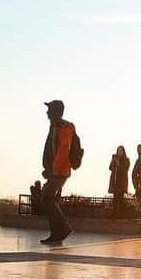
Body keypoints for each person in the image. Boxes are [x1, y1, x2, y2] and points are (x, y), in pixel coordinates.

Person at [39, 99, 82, 247]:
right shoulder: (56, 126)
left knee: (47, 198)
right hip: (58, 170)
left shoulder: (61, 127)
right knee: (48, 197)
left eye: (49, 109)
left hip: (59, 171)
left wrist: (53, 171)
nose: (46, 112)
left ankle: (62, 229)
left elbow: (63, 151)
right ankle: (57, 232)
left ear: (54, 111)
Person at [108, 145, 130, 217]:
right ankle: (114, 214)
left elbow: (126, 170)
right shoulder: (115, 159)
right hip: (115, 181)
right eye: (118, 150)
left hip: (122, 182)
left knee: (121, 198)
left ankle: (121, 214)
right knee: (115, 198)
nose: (119, 152)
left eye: (121, 151)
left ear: (123, 152)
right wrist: (112, 161)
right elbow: (110, 168)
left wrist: (119, 164)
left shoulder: (126, 160)